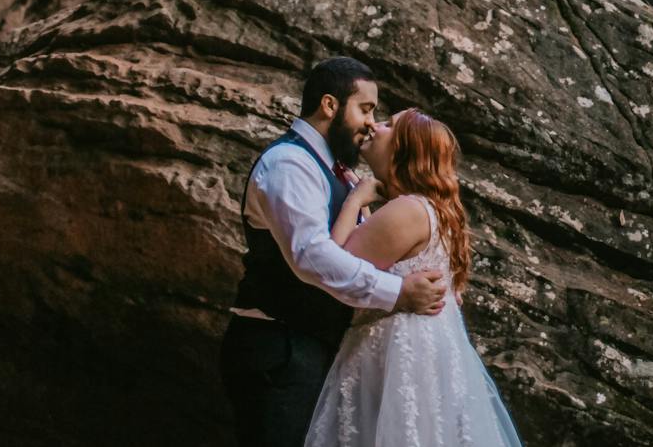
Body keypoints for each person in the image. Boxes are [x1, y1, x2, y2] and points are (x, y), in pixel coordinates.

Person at [223, 58, 449, 447]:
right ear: (330, 105)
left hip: (309, 347)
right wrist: (398, 293)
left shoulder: (336, 170)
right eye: (365, 108)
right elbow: (312, 257)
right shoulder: (290, 165)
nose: (370, 122)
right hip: (279, 347)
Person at [305, 110, 524, 447]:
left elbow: (333, 268)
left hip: (398, 356)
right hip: (424, 353)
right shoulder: (431, 211)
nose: (375, 126)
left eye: (390, 125)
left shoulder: (407, 211)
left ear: (406, 149)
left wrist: (356, 199)